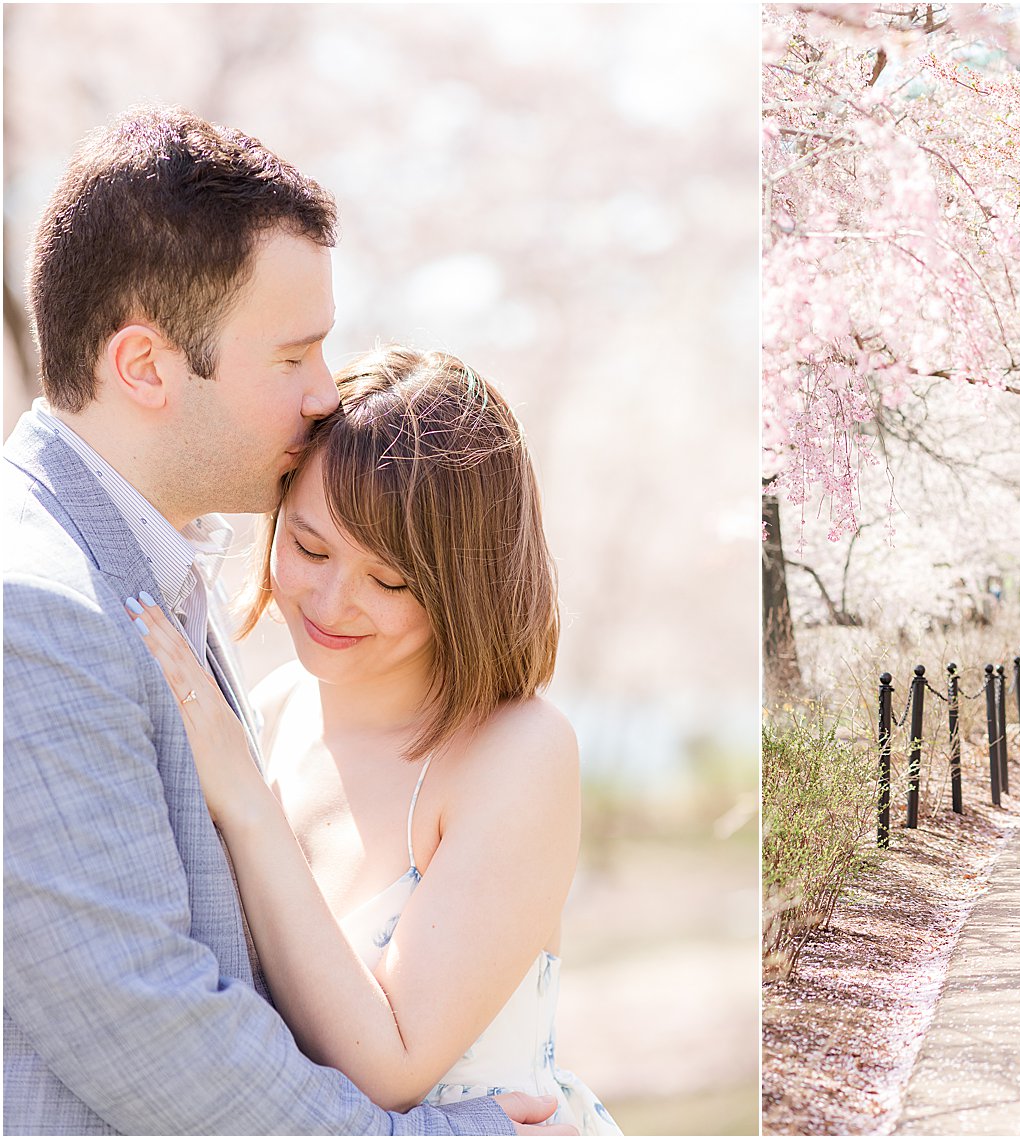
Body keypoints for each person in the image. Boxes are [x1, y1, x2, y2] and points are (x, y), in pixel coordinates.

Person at [3, 107, 568, 1134]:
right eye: (294, 355)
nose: (323, 396)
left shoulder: (150, 571)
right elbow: (149, 1030)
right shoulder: (35, 607)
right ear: (145, 365)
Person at [129, 346, 620, 1133]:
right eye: (310, 546)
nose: (329, 600)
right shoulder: (272, 706)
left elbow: (389, 1066)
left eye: (388, 581)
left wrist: (247, 805)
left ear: (468, 584)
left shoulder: (517, 750)